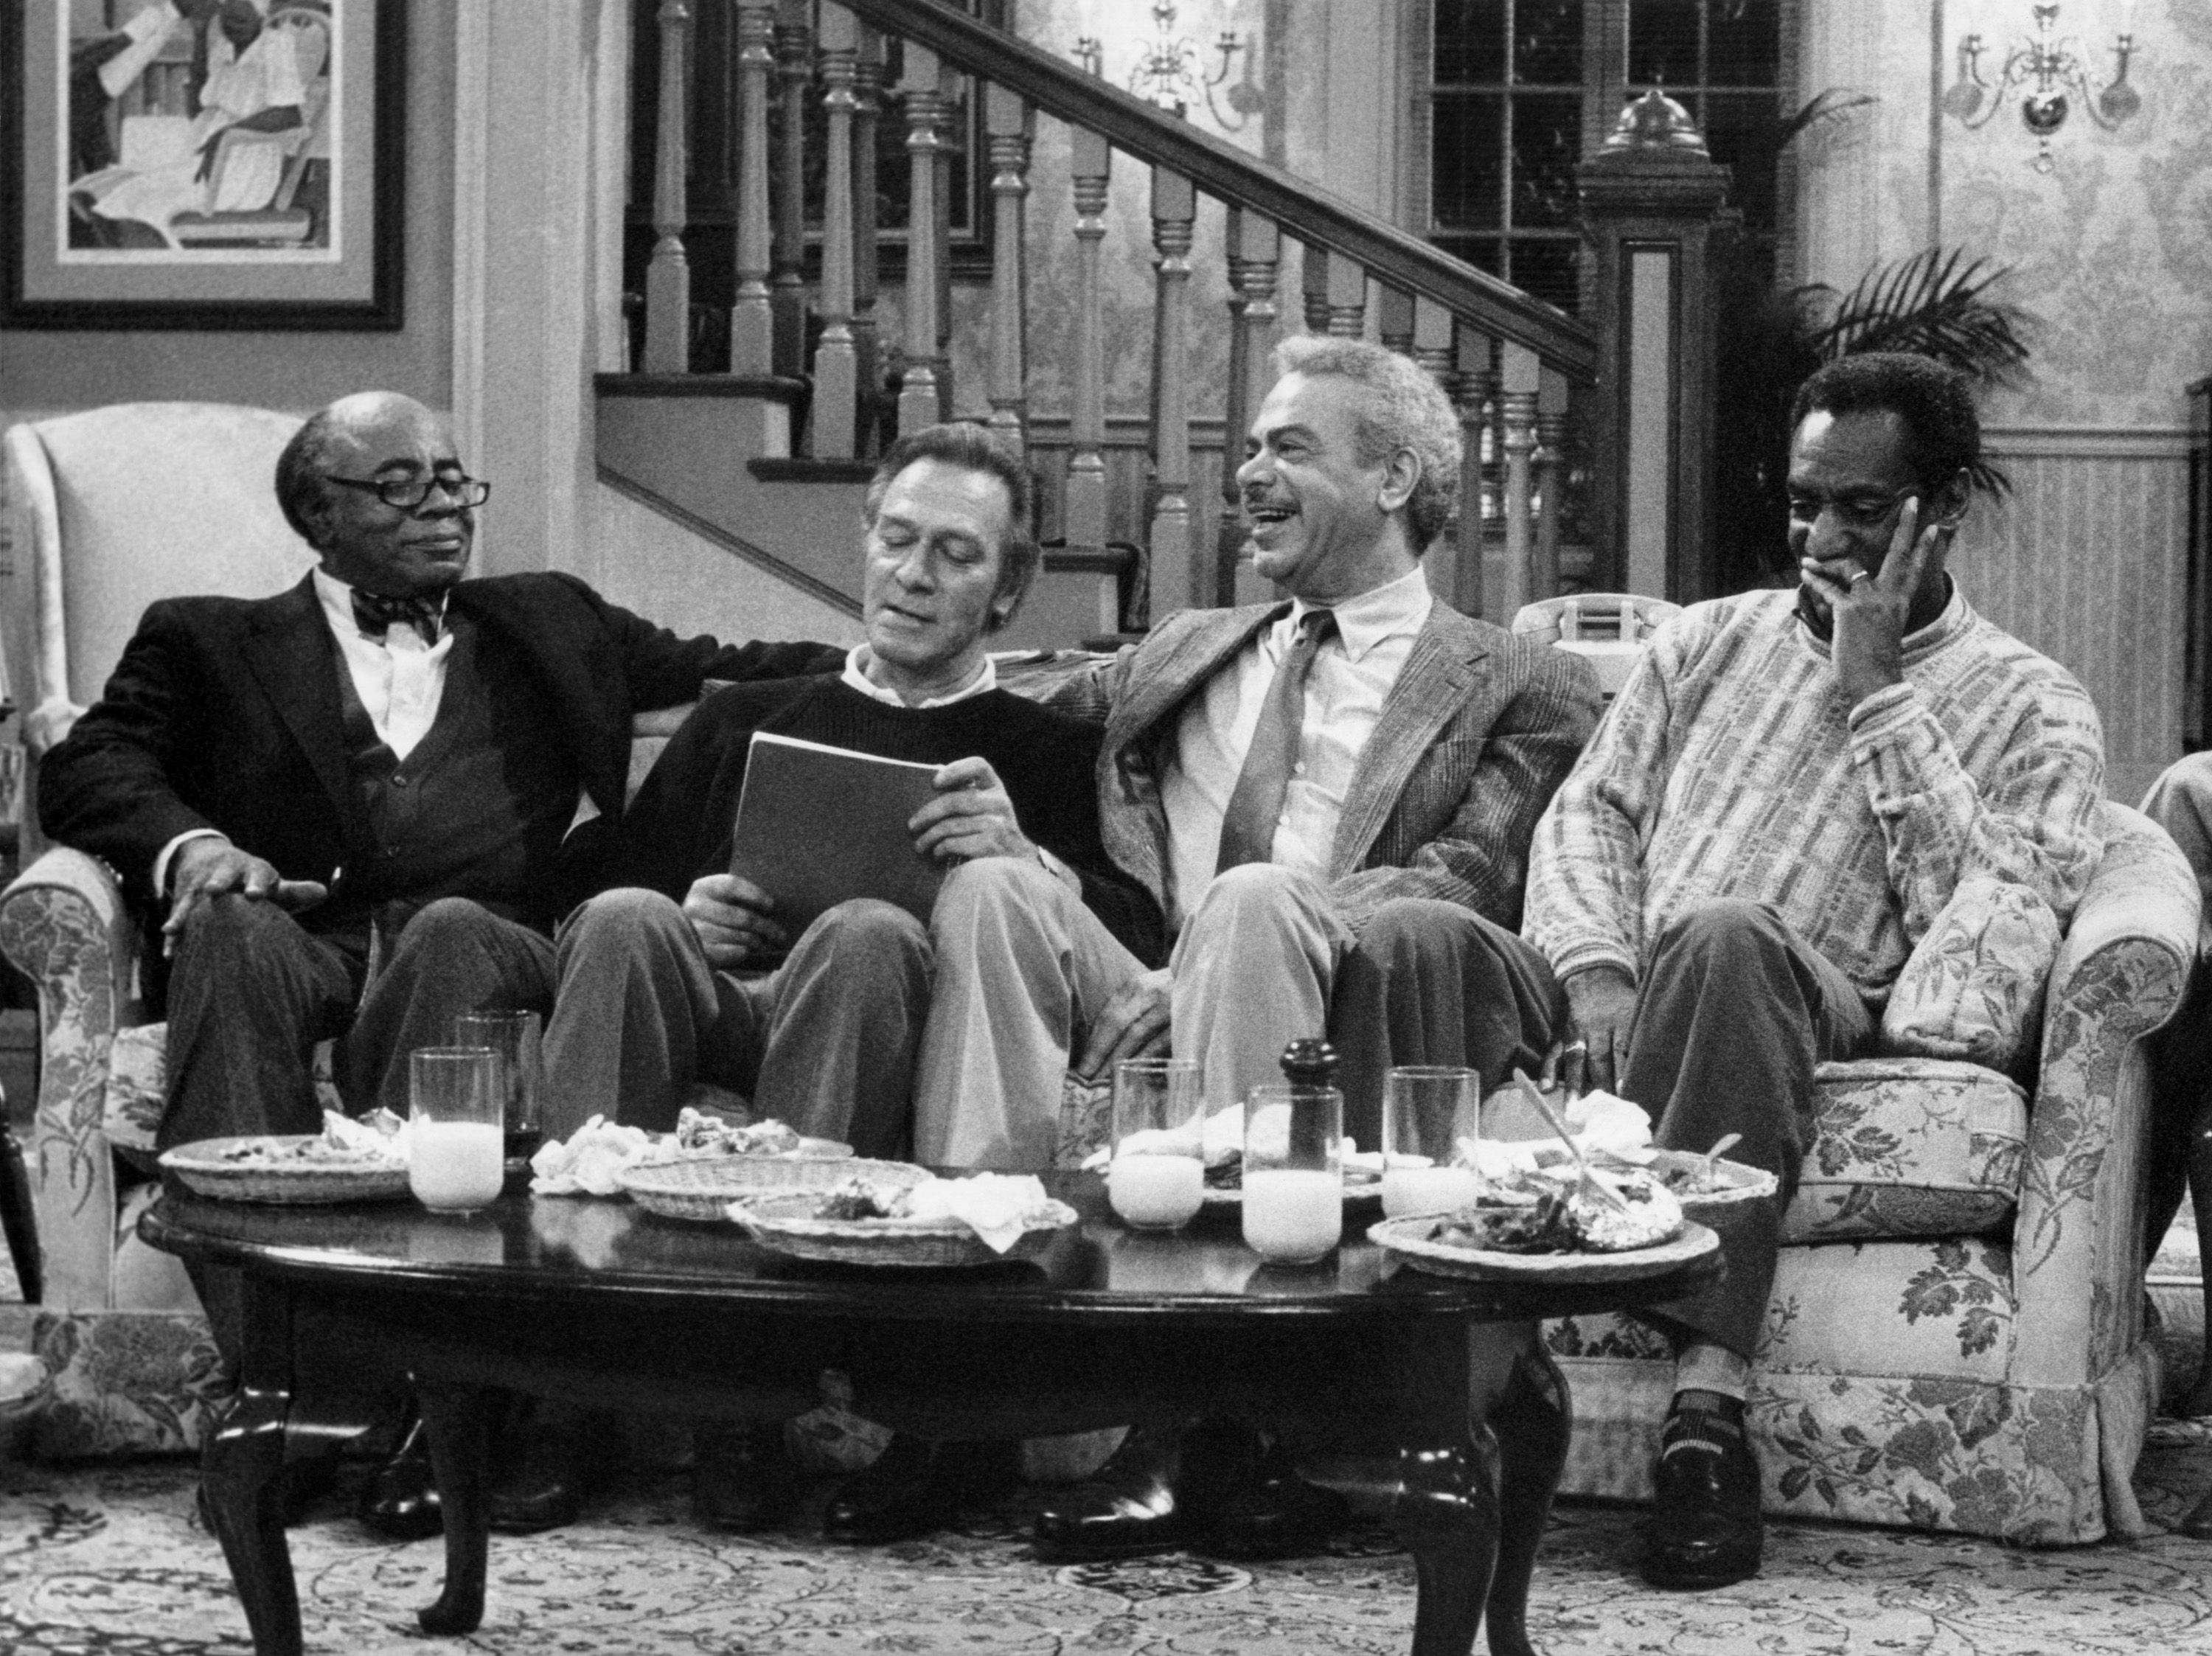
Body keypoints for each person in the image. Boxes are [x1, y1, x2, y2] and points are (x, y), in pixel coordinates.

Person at [37, 389, 838, 1539]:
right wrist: (197, 846)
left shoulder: (547, 619)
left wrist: (927, 660)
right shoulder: (205, 637)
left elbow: (737, 670)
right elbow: (87, 763)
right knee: (225, 932)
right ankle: (290, 1393)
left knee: (455, 927)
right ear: (320, 514)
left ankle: (438, 1397)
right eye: (402, 484)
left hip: (495, 940)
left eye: (454, 480)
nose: (446, 506)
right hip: (305, 932)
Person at [996, 335, 1599, 1562]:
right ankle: (955, 1376)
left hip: (1329, 976)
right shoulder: (1184, 645)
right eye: (1251, 447)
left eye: (1288, 448)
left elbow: (1465, 873)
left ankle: (1200, 1409)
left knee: (1256, 901)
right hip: (1144, 978)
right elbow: (991, 716)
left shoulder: (1521, 678)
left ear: (1392, 478)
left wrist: (1237, 934)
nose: (1248, 474)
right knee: (996, 880)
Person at [1523, 352, 2104, 1589]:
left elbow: (1979, 951)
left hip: (1800, 991)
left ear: (1945, 506)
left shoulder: (2035, 704)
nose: (1823, 538)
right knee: (1416, 941)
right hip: (1623, 978)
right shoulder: (1703, 641)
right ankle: (1322, 1403)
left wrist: (1879, 691)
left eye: (1863, 508)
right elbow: (1590, 815)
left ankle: (1703, 1420)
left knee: (1727, 935)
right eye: (1804, 503)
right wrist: (1596, 969)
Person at [544, 420, 1158, 1540]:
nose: (914, 575)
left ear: (1008, 591)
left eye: (956, 555)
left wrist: (1028, 855)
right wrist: (688, 906)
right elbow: (596, 885)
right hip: (732, 1004)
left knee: (868, 933)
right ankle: (556, 1387)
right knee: (629, 916)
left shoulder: (1050, 747)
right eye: (896, 539)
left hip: (883, 1015)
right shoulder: (743, 715)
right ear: (864, 543)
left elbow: (1131, 938)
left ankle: (754, 1399)